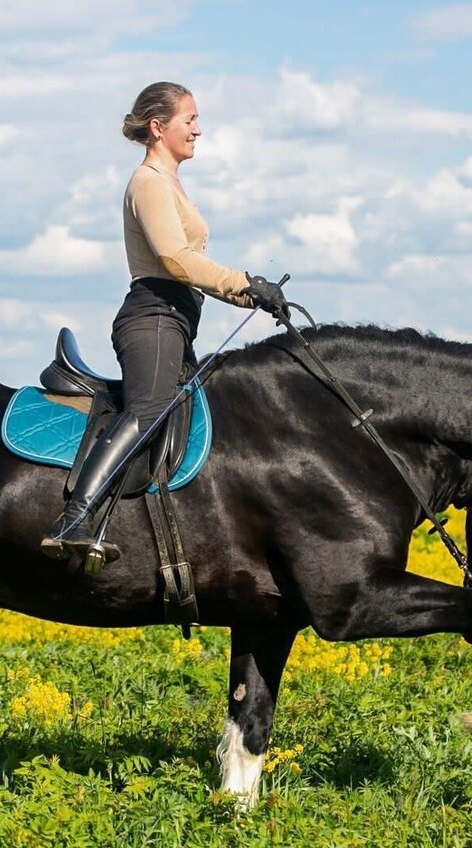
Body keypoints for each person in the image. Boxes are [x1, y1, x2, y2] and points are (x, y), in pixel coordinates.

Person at [40, 81, 287, 566]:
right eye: (189, 119)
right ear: (158, 127)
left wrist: (248, 294)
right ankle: (74, 518)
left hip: (177, 318)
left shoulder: (171, 182)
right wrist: (244, 284)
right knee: (150, 408)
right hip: (153, 316)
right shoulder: (149, 182)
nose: (198, 129)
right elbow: (175, 258)